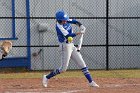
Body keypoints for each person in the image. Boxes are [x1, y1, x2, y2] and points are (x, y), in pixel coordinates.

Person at [42, 10, 99, 88]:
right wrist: (79, 33)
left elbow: (75, 21)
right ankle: (47, 77)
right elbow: (68, 36)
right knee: (63, 69)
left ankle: (91, 82)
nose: (65, 21)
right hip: (64, 46)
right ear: (59, 20)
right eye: (63, 20)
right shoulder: (59, 26)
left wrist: (81, 26)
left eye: (65, 20)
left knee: (82, 64)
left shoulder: (66, 20)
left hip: (71, 45)